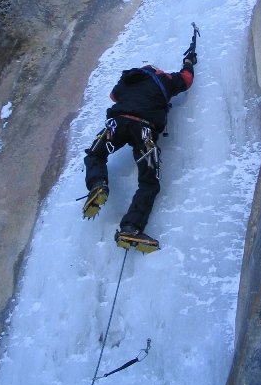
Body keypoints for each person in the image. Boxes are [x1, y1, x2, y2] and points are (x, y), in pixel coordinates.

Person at [82, 51, 196, 248]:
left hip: (116, 124)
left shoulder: (128, 79)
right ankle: (130, 227)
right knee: (149, 182)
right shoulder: (165, 79)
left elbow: (113, 95)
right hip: (144, 129)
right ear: (157, 70)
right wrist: (188, 62)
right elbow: (186, 79)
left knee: (96, 154)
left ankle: (98, 182)